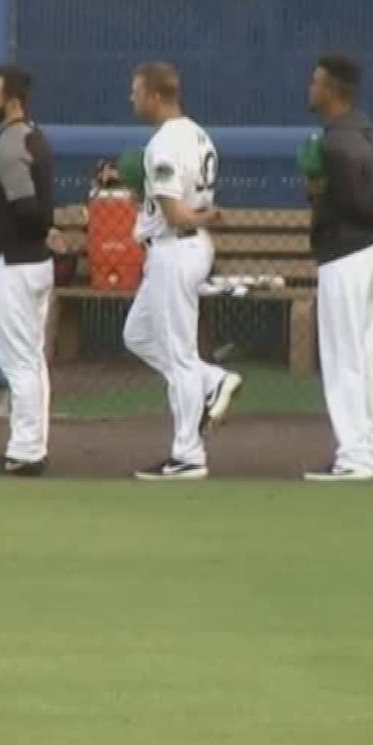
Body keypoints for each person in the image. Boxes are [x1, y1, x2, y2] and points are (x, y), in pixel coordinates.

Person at [124, 62, 242, 481]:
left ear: (156, 95)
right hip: (185, 247)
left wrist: (203, 216)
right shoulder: (198, 133)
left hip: (176, 248)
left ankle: (188, 455)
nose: (131, 97)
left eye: (136, 91)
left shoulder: (166, 142)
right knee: (137, 335)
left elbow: (174, 213)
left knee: (179, 356)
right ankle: (212, 380)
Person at [302, 54, 373, 482]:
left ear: (332, 90)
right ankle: (368, 449)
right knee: (359, 356)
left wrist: (322, 194)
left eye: (316, 82)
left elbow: (358, 203)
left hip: (346, 255)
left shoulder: (338, 142)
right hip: (368, 253)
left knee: (342, 360)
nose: (310, 87)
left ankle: (355, 455)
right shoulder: (358, 129)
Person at [0, 64, 63, 477]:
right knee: (32, 360)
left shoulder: (8, 145)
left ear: (11, 102)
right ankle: (31, 445)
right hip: (34, 264)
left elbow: (27, 209)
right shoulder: (32, 136)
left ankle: (25, 451)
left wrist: (36, 228)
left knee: (19, 363)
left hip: (14, 264)